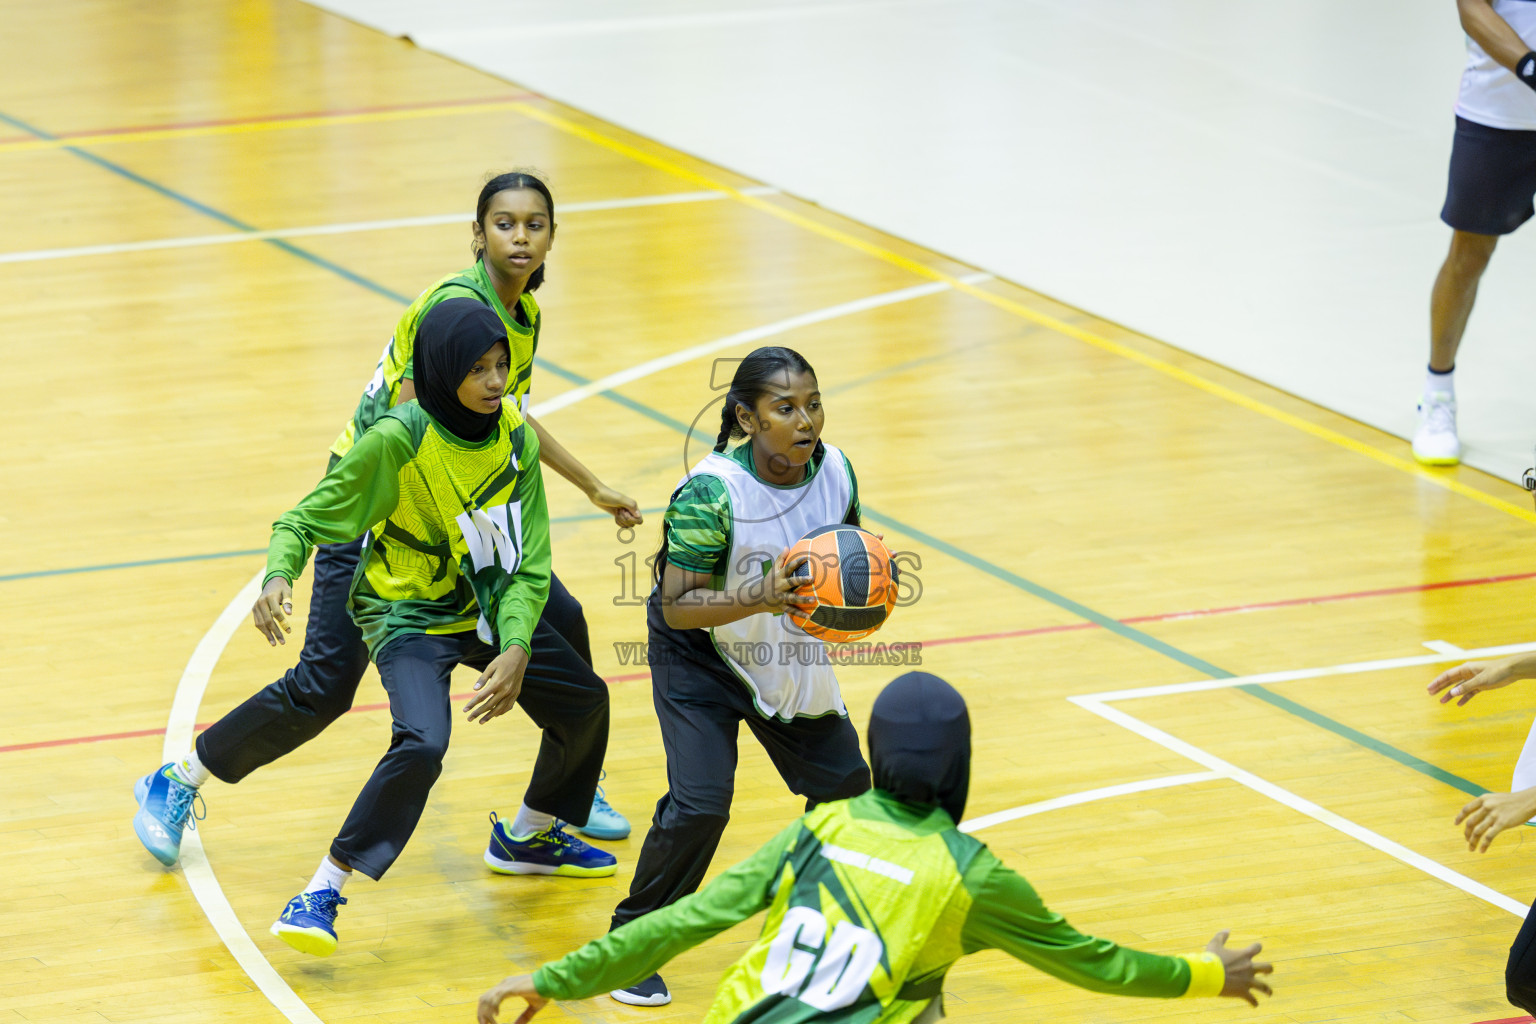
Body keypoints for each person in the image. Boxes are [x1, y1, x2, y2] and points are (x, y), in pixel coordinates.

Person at [132, 171, 637, 881]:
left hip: (463, 507)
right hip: (385, 502)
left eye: (534, 224)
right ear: (478, 233)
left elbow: (504, 416)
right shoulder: (454, 307)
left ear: (553, 234)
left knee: (560, 612)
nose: (520, 237)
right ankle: (180, 777)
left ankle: (550, 809)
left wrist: (589, 484)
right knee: (324, 688)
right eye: (504, 224)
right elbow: (416, 430)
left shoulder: (521, 317)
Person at [478, 671, 1275, 1023]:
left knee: (922, 990)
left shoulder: (822, 826)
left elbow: (680, 924)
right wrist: (1208, 974)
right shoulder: (975, 879)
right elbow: (1098, 965)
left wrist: (555, 977)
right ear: (960, 766)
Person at [219, 300, 618, 955]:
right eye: (478, 369)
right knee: (424, 742)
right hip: (406, 613)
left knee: (584, 701)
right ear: (438, 371)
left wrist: (517, 644)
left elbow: (530, 560)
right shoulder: (398, 439)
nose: (496, 382)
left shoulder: (513, 434)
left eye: (501, 366)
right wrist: (279, 576)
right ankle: (321, 890)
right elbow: (302, 520)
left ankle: (529, 834)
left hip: (483, 602)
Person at [606, 346, 873, 1007]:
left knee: (848, 792)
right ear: (747, 420)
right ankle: (631, 942)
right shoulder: (711, 492)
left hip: (777, 640)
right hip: (698, 651)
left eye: (813, 404)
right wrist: (761, 596)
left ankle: (812, 938)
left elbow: (848, 557)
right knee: (701, 804)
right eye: (785, 408)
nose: (805, 420)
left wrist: (856, 603)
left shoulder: (836, 470)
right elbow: (677, 603)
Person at [1413, 0, 1536, 465]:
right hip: (1498, 113)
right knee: (1469, 254)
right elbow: (1472, 9)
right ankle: (1437, 393)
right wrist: (1530, 66)